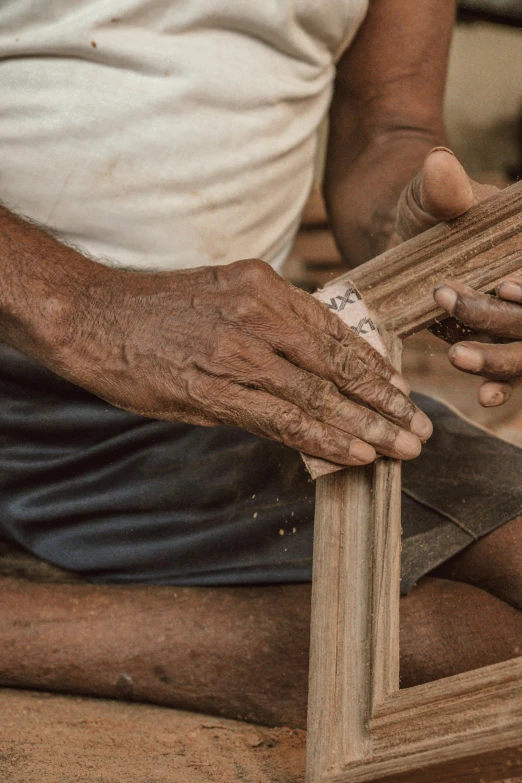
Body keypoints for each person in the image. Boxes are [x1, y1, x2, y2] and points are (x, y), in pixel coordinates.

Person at [0, 0, 521, 728]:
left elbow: (388, 125)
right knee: (419, 658)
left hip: (220, 384)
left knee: (473, 655)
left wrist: (422, 241)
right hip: (31, 358)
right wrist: (84, 310)